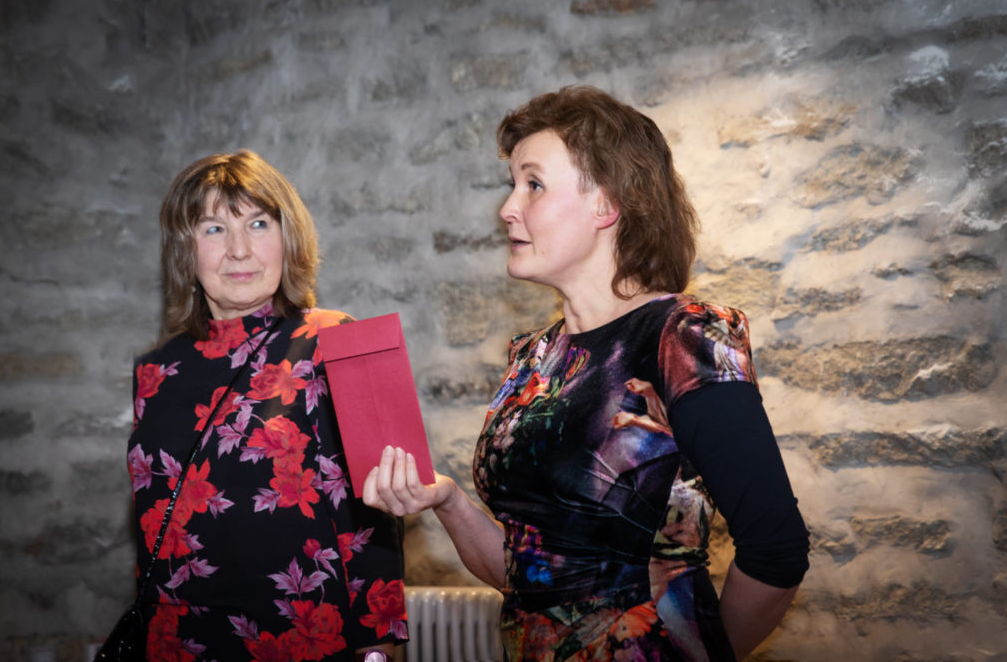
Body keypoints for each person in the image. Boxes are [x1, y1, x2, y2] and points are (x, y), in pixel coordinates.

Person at [363, 86, 810, 661]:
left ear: (606, 204)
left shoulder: (685, 335)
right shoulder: (532, 358)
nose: (507, 208)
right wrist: (448, 501)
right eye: (512, 185)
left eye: (534, 184)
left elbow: (776, 552)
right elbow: (531, 579)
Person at [127, 150, 406, 661]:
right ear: (185, 250)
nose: (239, 250)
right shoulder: (154, 372)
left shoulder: (339, 339)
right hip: (178, 641)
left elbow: (378, 515)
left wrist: (378, 650)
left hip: (305, 639)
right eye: (214, 229)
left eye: (258, 224)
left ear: (287, 237)